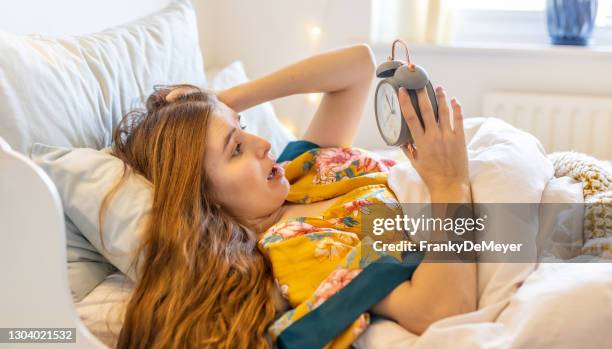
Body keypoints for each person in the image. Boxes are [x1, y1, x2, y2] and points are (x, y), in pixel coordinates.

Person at [105, 44, 477, 349]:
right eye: (236, 150)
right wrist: (450, 181)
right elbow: (439, 306)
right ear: (207, 199)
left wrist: (222, 101)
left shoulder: (296, 171)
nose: (264, 143)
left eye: (244, 128)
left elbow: (358, 66)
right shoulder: (295, 247)